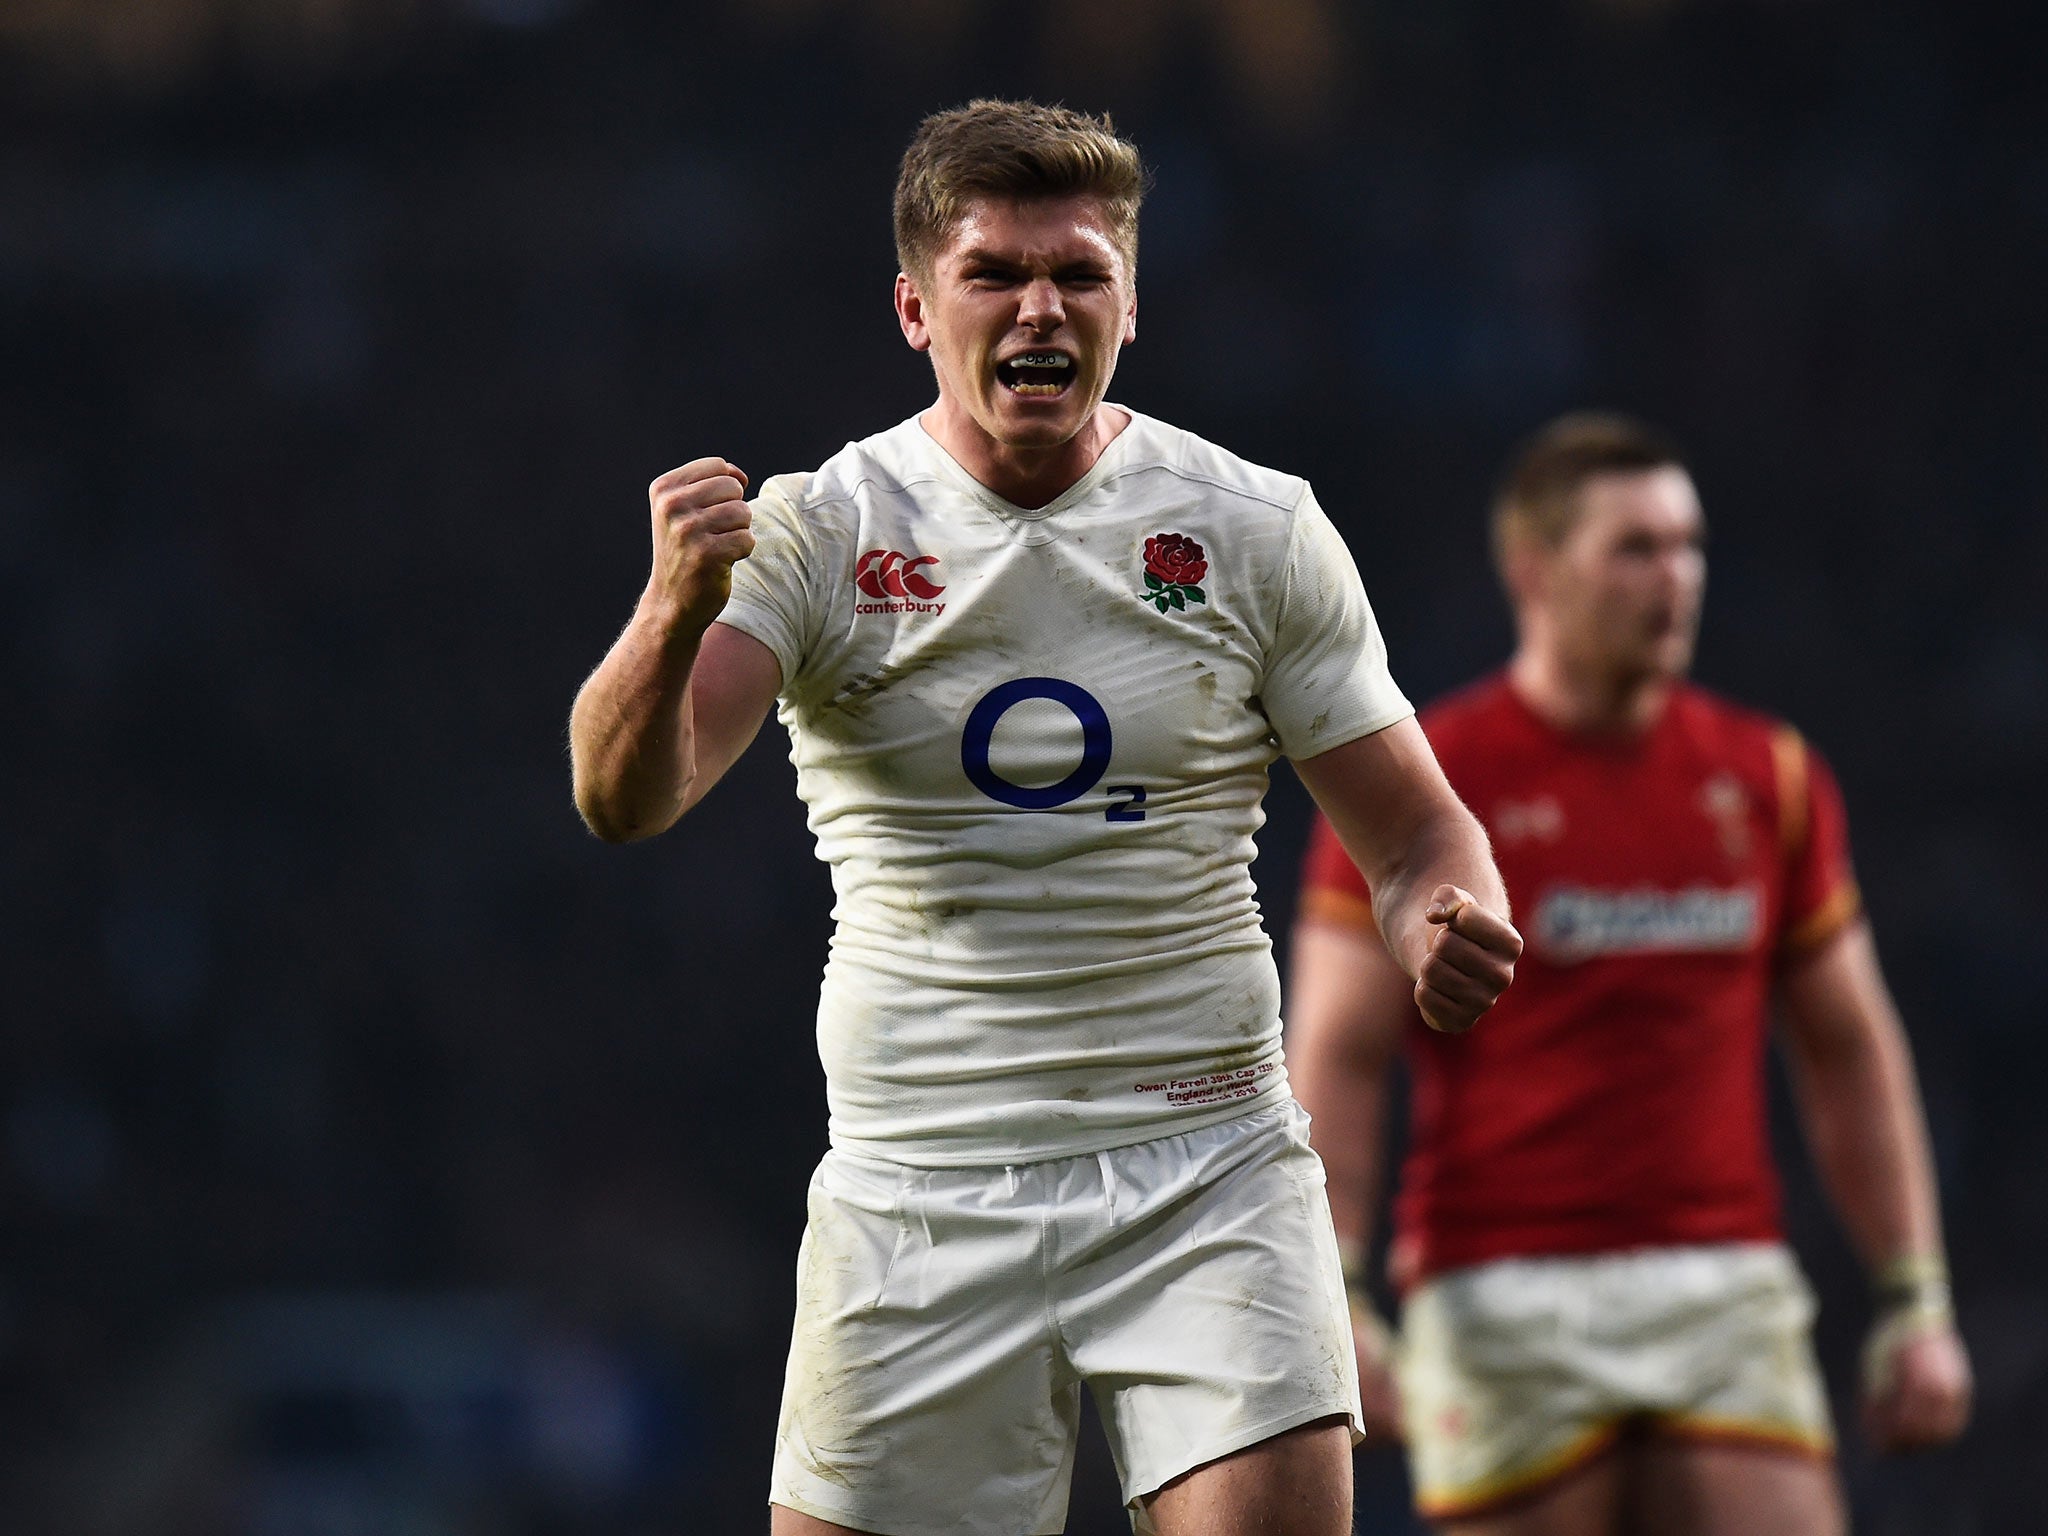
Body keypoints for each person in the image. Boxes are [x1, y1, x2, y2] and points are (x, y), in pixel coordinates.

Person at [567, 99, 1521, 1536]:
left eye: (1078, 274)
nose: (1040, 307)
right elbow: (622, 798)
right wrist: (664, 612)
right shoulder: (822, 530)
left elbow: (1418, 834)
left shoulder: (1253, 528)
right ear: (913, 309)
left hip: (1206, 1165)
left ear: (1130, 306)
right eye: (994, 273)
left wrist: (1443, 916)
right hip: (921, 1177)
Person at [1287, 412, 1973, 1536]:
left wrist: (1915, 1296)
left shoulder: (1768, 777)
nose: (1677, 578)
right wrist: (1338, 1298)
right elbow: (1335, 1057)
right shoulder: (1427, 791)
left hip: (1722, 1281)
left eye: (1688, 545)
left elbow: (1848, 1047)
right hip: (1500, 1291)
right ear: (1533, 570)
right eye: (1636, 548)